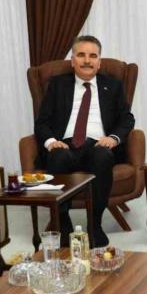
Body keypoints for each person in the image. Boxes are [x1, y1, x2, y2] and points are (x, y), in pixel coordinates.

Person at [34, 35, 135, 246]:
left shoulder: (113, 86)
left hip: (98, 144)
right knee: (58, 156)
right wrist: (51, 141)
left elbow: (127, 119)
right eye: (81, 55)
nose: (87, 60)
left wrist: (113, 138)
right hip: (64, 144)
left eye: (92, 56)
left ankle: (94, 224)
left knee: (102, 156)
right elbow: (42, 121)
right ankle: (63, 223)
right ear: (72, 61)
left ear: (99, 62)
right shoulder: (58, 85)